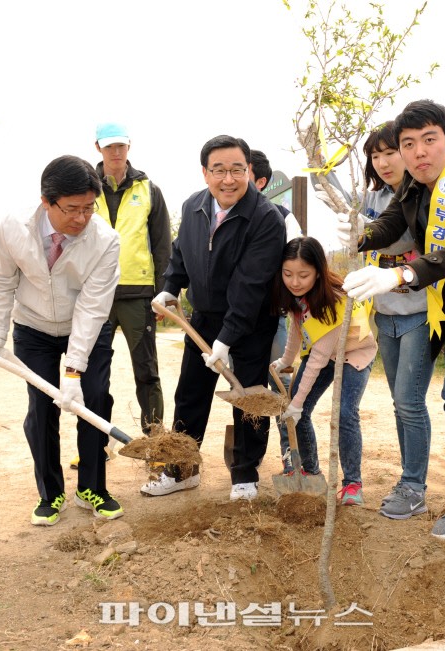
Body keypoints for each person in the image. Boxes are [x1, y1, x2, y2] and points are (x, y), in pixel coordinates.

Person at [341, 100, 445, 539]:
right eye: (408, 144)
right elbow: (390, 224)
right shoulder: (411, 186)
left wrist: (399, 274)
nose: (418, 152)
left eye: (428, 140)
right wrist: (358, 234)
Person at [0, 155, 123, 526]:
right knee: (41, 408)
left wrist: (73, 371)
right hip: (33, 328)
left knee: (94, 399)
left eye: (89, 208)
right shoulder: (13, 227)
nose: (81, 218)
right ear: (47, 200)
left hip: (87, 328)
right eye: (72, 209)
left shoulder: (105, 240)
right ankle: (50, 492)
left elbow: (93, 309)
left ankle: (92, 487)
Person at [141, 135, 286, 501]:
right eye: (219, 170)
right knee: (190, 395)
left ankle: (245, 475)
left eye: (237, 169)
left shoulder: (266, 218)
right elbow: (180, 254)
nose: (229, 178)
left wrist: (227, 339)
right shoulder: (194, 207)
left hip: (251, 323)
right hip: (202, 319)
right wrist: (171, 287)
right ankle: (181, 469)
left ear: (249, 171)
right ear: (205, 173)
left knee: (248, 398)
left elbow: (250, 285)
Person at [316, 122, 434, 520]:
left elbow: (398, 239)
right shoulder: (371, 196)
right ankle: (408, 482)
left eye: (390, 152)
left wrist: (367, 230)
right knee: (401, 405)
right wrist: (324, 176)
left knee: (409, 402)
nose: (383, 161)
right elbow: (349, 218)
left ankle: (414, 487)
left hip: (420, 311)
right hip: (385, 314)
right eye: (375, 154)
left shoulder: (422, 195)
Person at [270, 236, 376, 505]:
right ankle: (310, 470)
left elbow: (317, 359)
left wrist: (296, 401)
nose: (294, 282)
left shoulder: (336, 299)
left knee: (344, 413)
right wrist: (285, 359)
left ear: (317, 271)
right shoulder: (296, 296)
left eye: (303, 275)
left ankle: (352, 484)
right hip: (324, 353)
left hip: (355, 353)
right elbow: (296, 329)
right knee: (299, 413)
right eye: (288, 274)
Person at [94, 122, 171, 437]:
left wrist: (164, 294)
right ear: (98, 147)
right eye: (109, 146)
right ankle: (94, 442)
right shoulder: (85, 187)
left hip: (138, 296)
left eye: (120, 146)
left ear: (129, 147)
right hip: (95, 296)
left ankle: (155, 441)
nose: (115, 152)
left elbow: (163, 246)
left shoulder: (149, 190)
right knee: (94, 374)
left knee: (147, 373)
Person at [249, 149, 302, 474]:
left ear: (261, 181)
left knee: (281, 390)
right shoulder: (227, 218)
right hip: (239, 324)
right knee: (249, 393)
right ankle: (249, 460)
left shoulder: (283, 218)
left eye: (244, 174)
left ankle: (290, 459)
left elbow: (299, 264)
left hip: (275, 319)